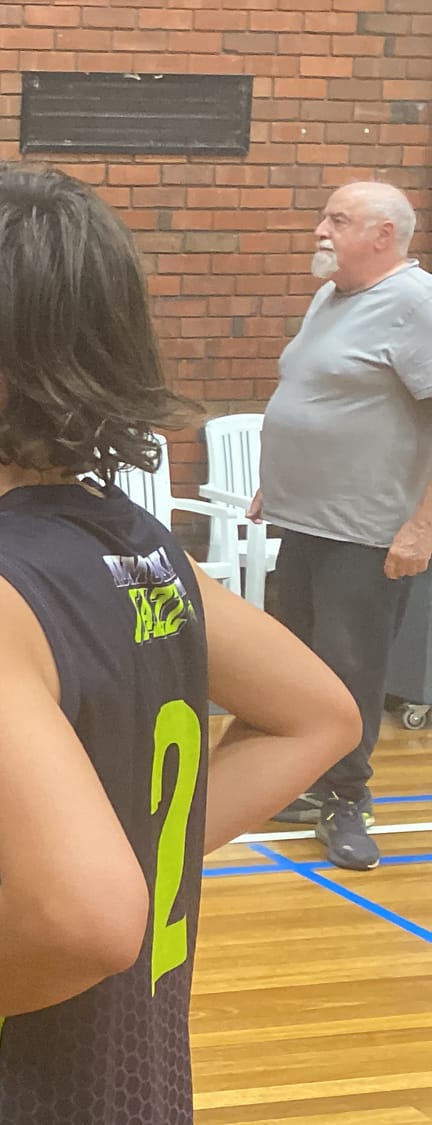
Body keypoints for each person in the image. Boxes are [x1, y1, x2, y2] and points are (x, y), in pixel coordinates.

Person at [0, 165, 360, 1124]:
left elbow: (87, 913)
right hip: (136, 1082)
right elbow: (320, 716)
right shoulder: (144, 545)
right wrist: (141, 847)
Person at [254, 181, 432, 870]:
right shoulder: (333, 297)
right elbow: (318, 391)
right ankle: (303, 781)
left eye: (338, 219)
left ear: (384, 235)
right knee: (297, 660)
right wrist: (280, 475)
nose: (319, 229)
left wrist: (421, 526)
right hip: (306, 518)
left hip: (367, 528)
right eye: (324, 215)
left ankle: (348, 798)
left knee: (349, 664)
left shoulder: (414, 304)